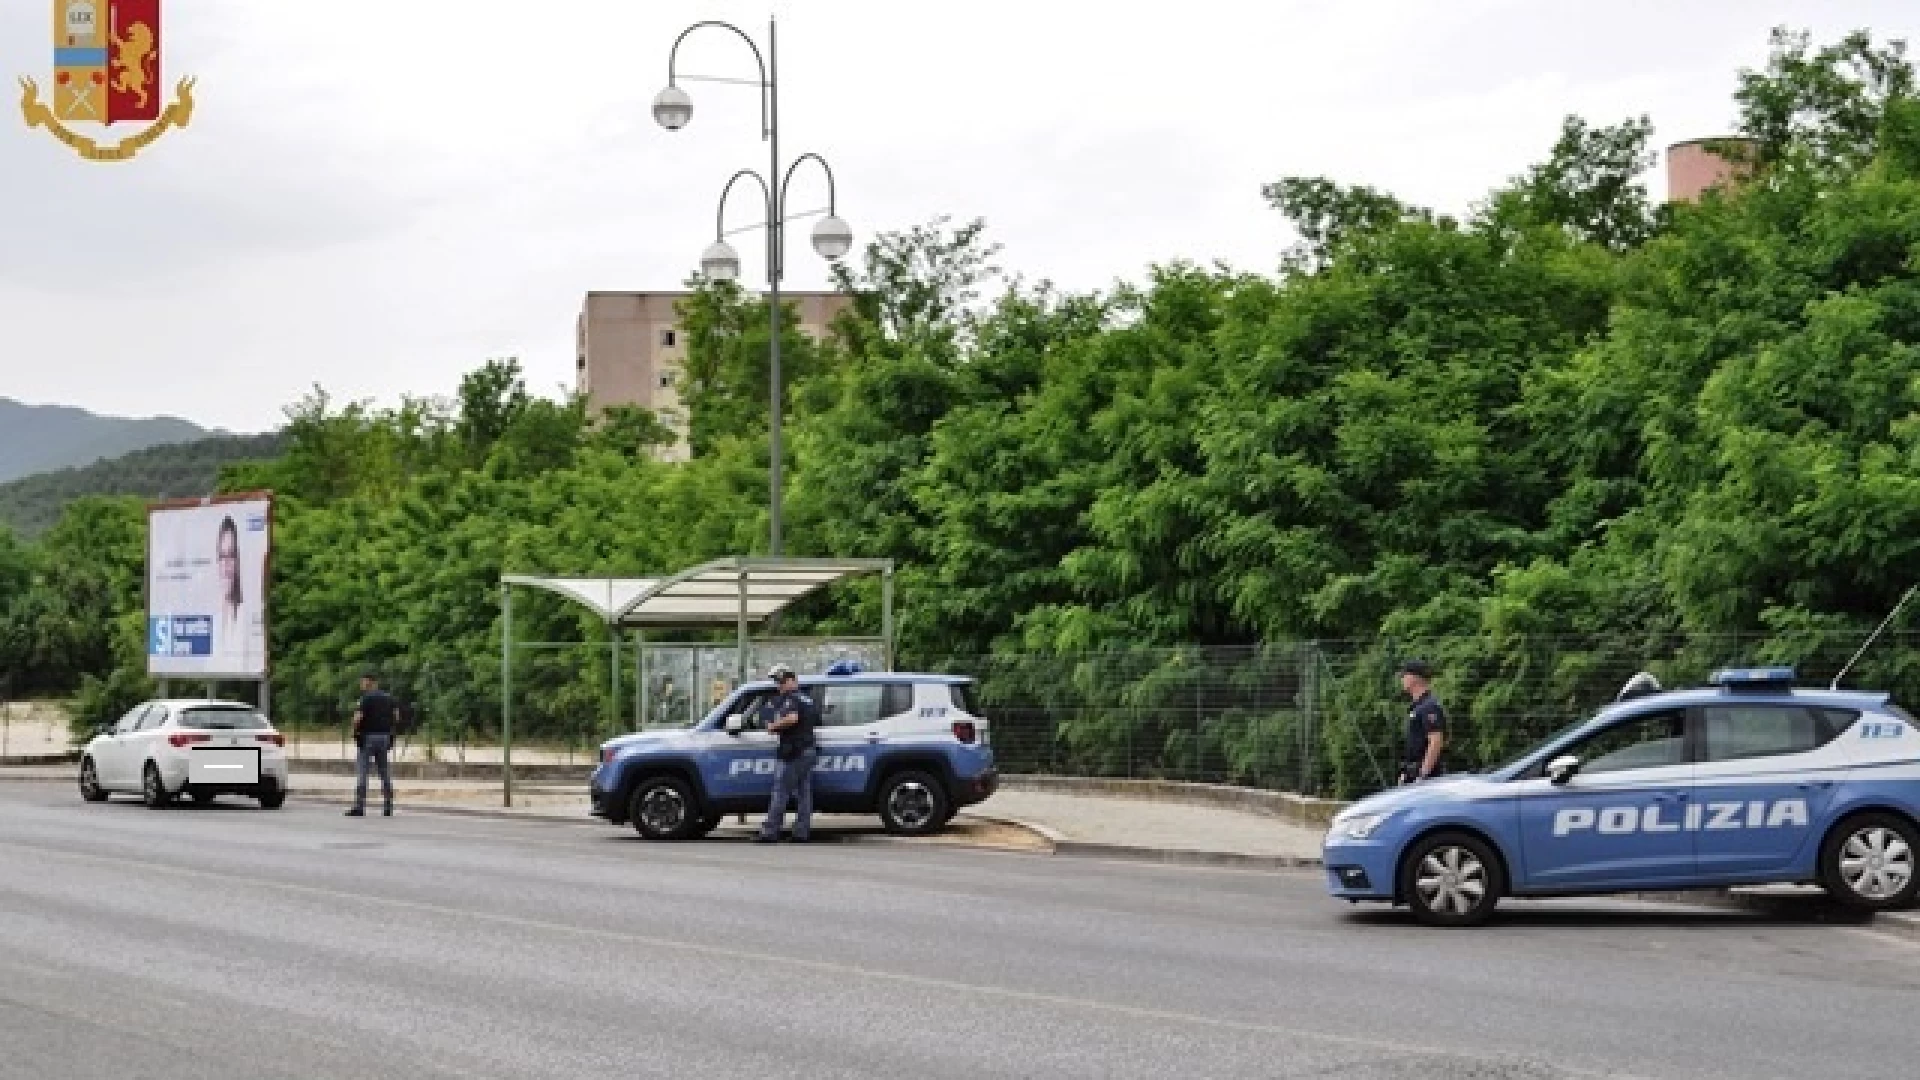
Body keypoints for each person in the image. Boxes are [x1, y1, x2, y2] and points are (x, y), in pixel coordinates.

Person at [754, 664, 820, 843]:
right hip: (807, 750)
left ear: (792, 681)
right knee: (804, 794)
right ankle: (801, 832)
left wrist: (772, 727)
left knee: (780, 791)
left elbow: (792, 718)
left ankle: (770, 832)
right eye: (778, 682)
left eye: (781, 682)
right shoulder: (807, 699)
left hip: (794, 752)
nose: (779, 686)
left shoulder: (791, 699)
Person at [347, 671, 398, 817]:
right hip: (384, 737)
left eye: (364, 682)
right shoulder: (389, 698)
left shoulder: (365, 699)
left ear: (370, 682)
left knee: (363, 770)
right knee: (384, 771)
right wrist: (390, 730)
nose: (362, 685)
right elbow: (396, 716)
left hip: (367, 737)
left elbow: (358, 718)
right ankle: (388, 805)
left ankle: (359, 805)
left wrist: (354, 731)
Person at [1397, 660, 1448, 785]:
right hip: (1413, 774)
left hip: (1427, 778)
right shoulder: (1417, 707)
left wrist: (1422, 776)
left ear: (1414, 678)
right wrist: (1406, 773)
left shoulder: (1429, 706)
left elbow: (1435, 741)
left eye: (1404, 675)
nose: (1402, 679)